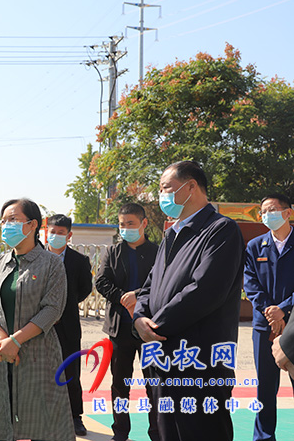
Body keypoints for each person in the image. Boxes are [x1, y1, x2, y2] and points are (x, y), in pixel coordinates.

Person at [133, 161, 245, 441]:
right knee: (167, 431)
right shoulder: (171, 233)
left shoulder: (221, 230)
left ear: (191, 186)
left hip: (200, 361)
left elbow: (205, 290)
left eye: (166, 188)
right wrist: (138, 317)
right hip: (162, 358)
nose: (161, 196)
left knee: (202, 432)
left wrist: (156, 325)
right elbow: (149, 286)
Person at [0, 198, 74, 441]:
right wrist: (3, 341)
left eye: (13, 219)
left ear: (32, 225)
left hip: (37, 356)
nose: (6, 225)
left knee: (42, 425)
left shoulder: (51, 264)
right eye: (4, 220)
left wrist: (16, 342)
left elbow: (52, 309)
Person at [95, 203, 159, 441]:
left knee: (154, 383)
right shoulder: (112, 252)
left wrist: (138, 296)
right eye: (122, 224)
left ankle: (157, 431)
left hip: (151, 328)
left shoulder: (158, 252)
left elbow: (164, 284)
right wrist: (124, 299)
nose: (125, 228)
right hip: (119, 327)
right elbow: (101, 281)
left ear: (143, 223)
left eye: (130, 224)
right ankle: (120, 431)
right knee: (120, 383)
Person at [243, 193, 294, 441]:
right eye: (263, 211)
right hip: (264, 325)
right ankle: (263, 436)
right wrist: (270, 311)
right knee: (265, 386)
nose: (267, 215)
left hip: (293, 324)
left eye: (272, 209)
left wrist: (283, 308)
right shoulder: (255, 246)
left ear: (288, 212)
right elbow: (250, 284)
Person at [45, 214, 93, 436]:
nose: (55, 236)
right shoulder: (36, 257)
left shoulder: (79, 261)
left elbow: (84, 290)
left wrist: (64, 306)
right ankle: (39, 415)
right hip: (38, 325)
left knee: (70, 372)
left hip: (68, 326)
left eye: (60, 233)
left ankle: (75, 417)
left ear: (69, 235)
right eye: (52, 232)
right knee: (39, 372)